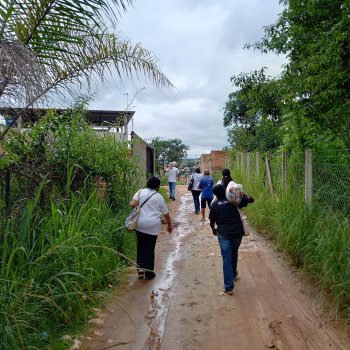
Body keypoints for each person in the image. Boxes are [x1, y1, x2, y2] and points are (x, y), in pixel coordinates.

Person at [209, 184, 253, 295]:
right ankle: (233, 274)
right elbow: (252, 200)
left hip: (223, 234)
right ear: (225, 191)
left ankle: (229, 287)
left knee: (226, 258)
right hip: (237, 233)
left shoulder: (214, 205)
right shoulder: (235, 201)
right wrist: (242, 194)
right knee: (234, 253)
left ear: (214, 194)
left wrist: (213, 229)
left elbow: (212, 221)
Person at [129, 176, 173, 280]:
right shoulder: (158, 196)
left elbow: (132, 204)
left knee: (140, 246)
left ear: (148, 183)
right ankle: (148, 273)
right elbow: (166, 214)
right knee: (149, 248)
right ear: (158, 186)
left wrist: (135, 204)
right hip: (153, 226)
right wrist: (169, 225)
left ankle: (140, 269)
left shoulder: (140, 192)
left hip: (139, 224)